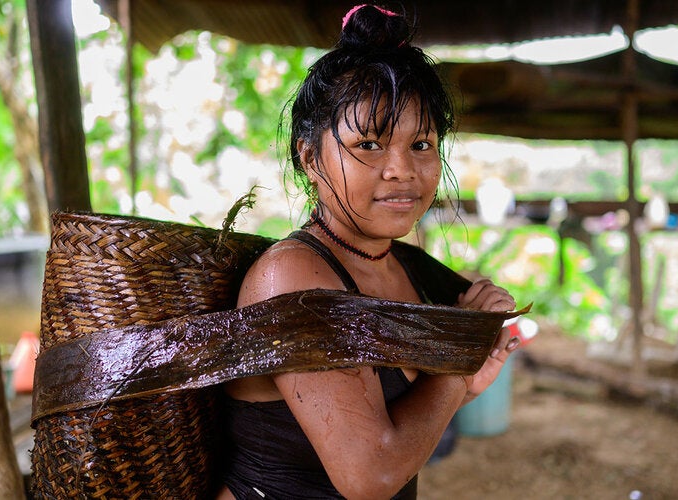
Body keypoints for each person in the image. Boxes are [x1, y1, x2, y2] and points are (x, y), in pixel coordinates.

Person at [217, 4, 519, 499]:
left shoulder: (402, 263)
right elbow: (370, 476)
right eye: (370, 145)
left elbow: (394, 422)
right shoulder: (293, 276)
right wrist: (456, 363)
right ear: (309, 156)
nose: (402, 169)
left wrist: (460, 385)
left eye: (421, 144)